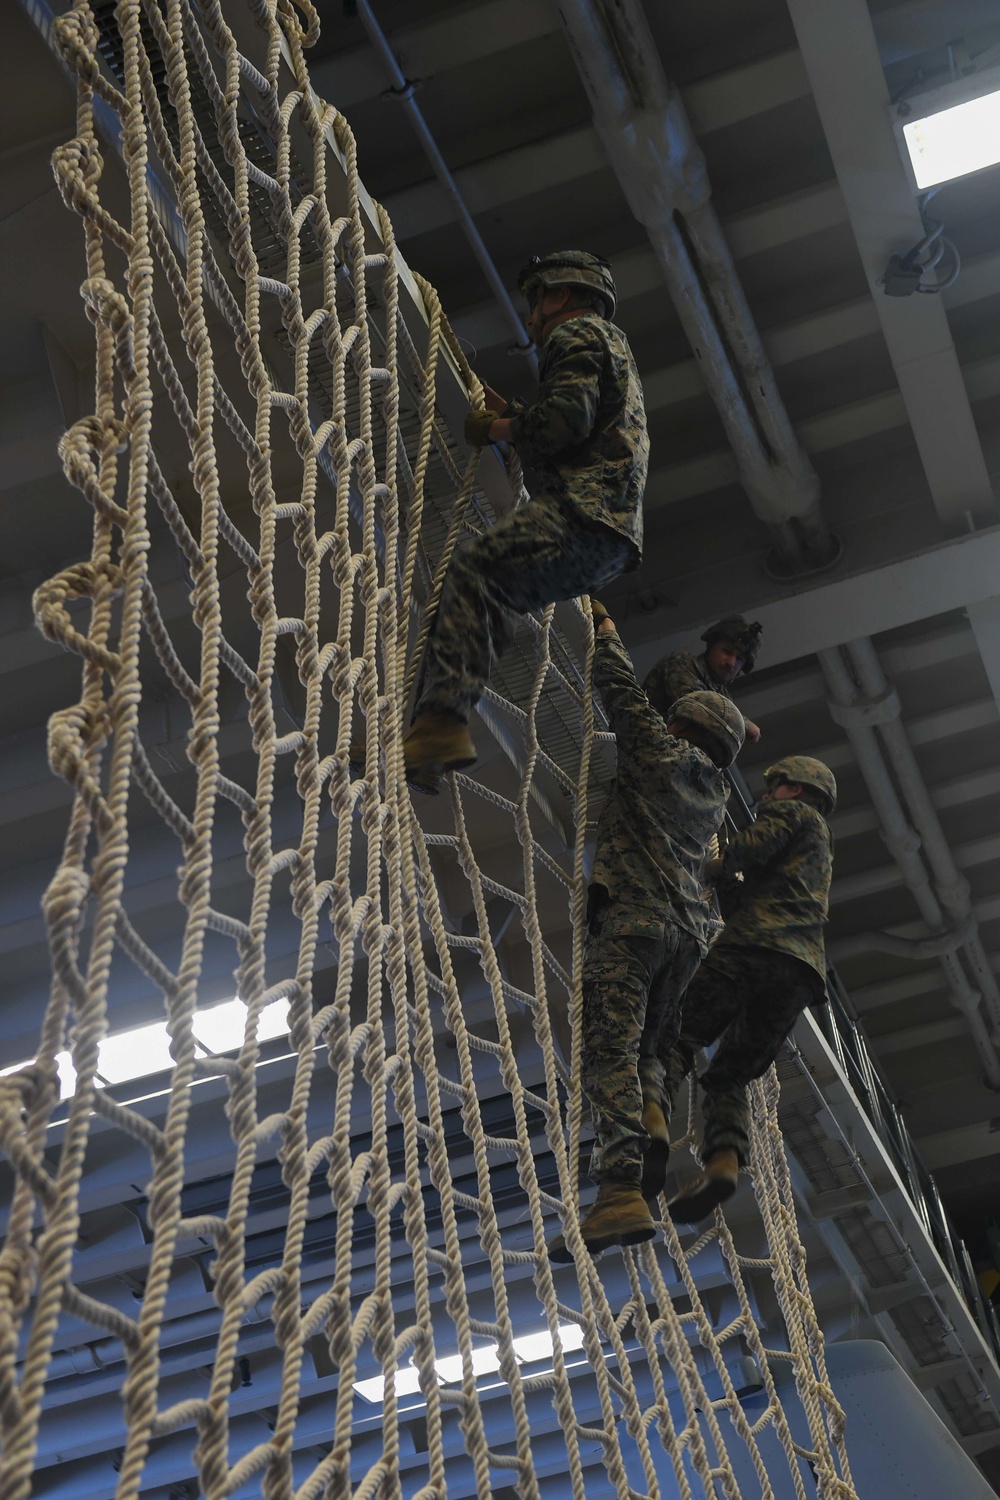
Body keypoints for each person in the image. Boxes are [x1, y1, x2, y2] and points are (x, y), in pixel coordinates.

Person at [402, 251, 649, 793]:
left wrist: (496, 429)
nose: (532, 318)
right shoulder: (612, 347)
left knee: (473, 571)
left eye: (537, 301)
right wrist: (510, 413)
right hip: (607, 539)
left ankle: (440, 725)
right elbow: (585, 427)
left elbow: (566, 421)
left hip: (582, 514)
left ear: (560, 295)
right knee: (495, 589)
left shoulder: (576, 334)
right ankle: (431, 729)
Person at [548, 603, 745, 1262]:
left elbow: (619, 689)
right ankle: (655, 1115)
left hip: (635, 927)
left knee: (612, 1052)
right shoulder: (716, 798)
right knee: (648, 1052)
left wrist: (605, 628)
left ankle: (621, 1191)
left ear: (684, 722)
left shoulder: (658, 751)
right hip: (686, 942)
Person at [649, 755, 837, 1224]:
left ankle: (648, 1118)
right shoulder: (818, 851)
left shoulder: (794, 814)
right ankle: (724, 1160)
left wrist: (716, 860)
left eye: (774, 788)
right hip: (798, 972)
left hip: (754, 948)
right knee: (729, 1074)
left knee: (677, 1036)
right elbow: (746, 896)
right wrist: (729, 879)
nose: (767, 797)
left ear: (794, 789)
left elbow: (750, 848)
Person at [643, 615, 764, 747]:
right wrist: (743, 724)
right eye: (727, 651)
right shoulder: (681, 663)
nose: (731, 663)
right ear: (711, 646)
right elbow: (695, 705)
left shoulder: (723, 697)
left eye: (739, 659)